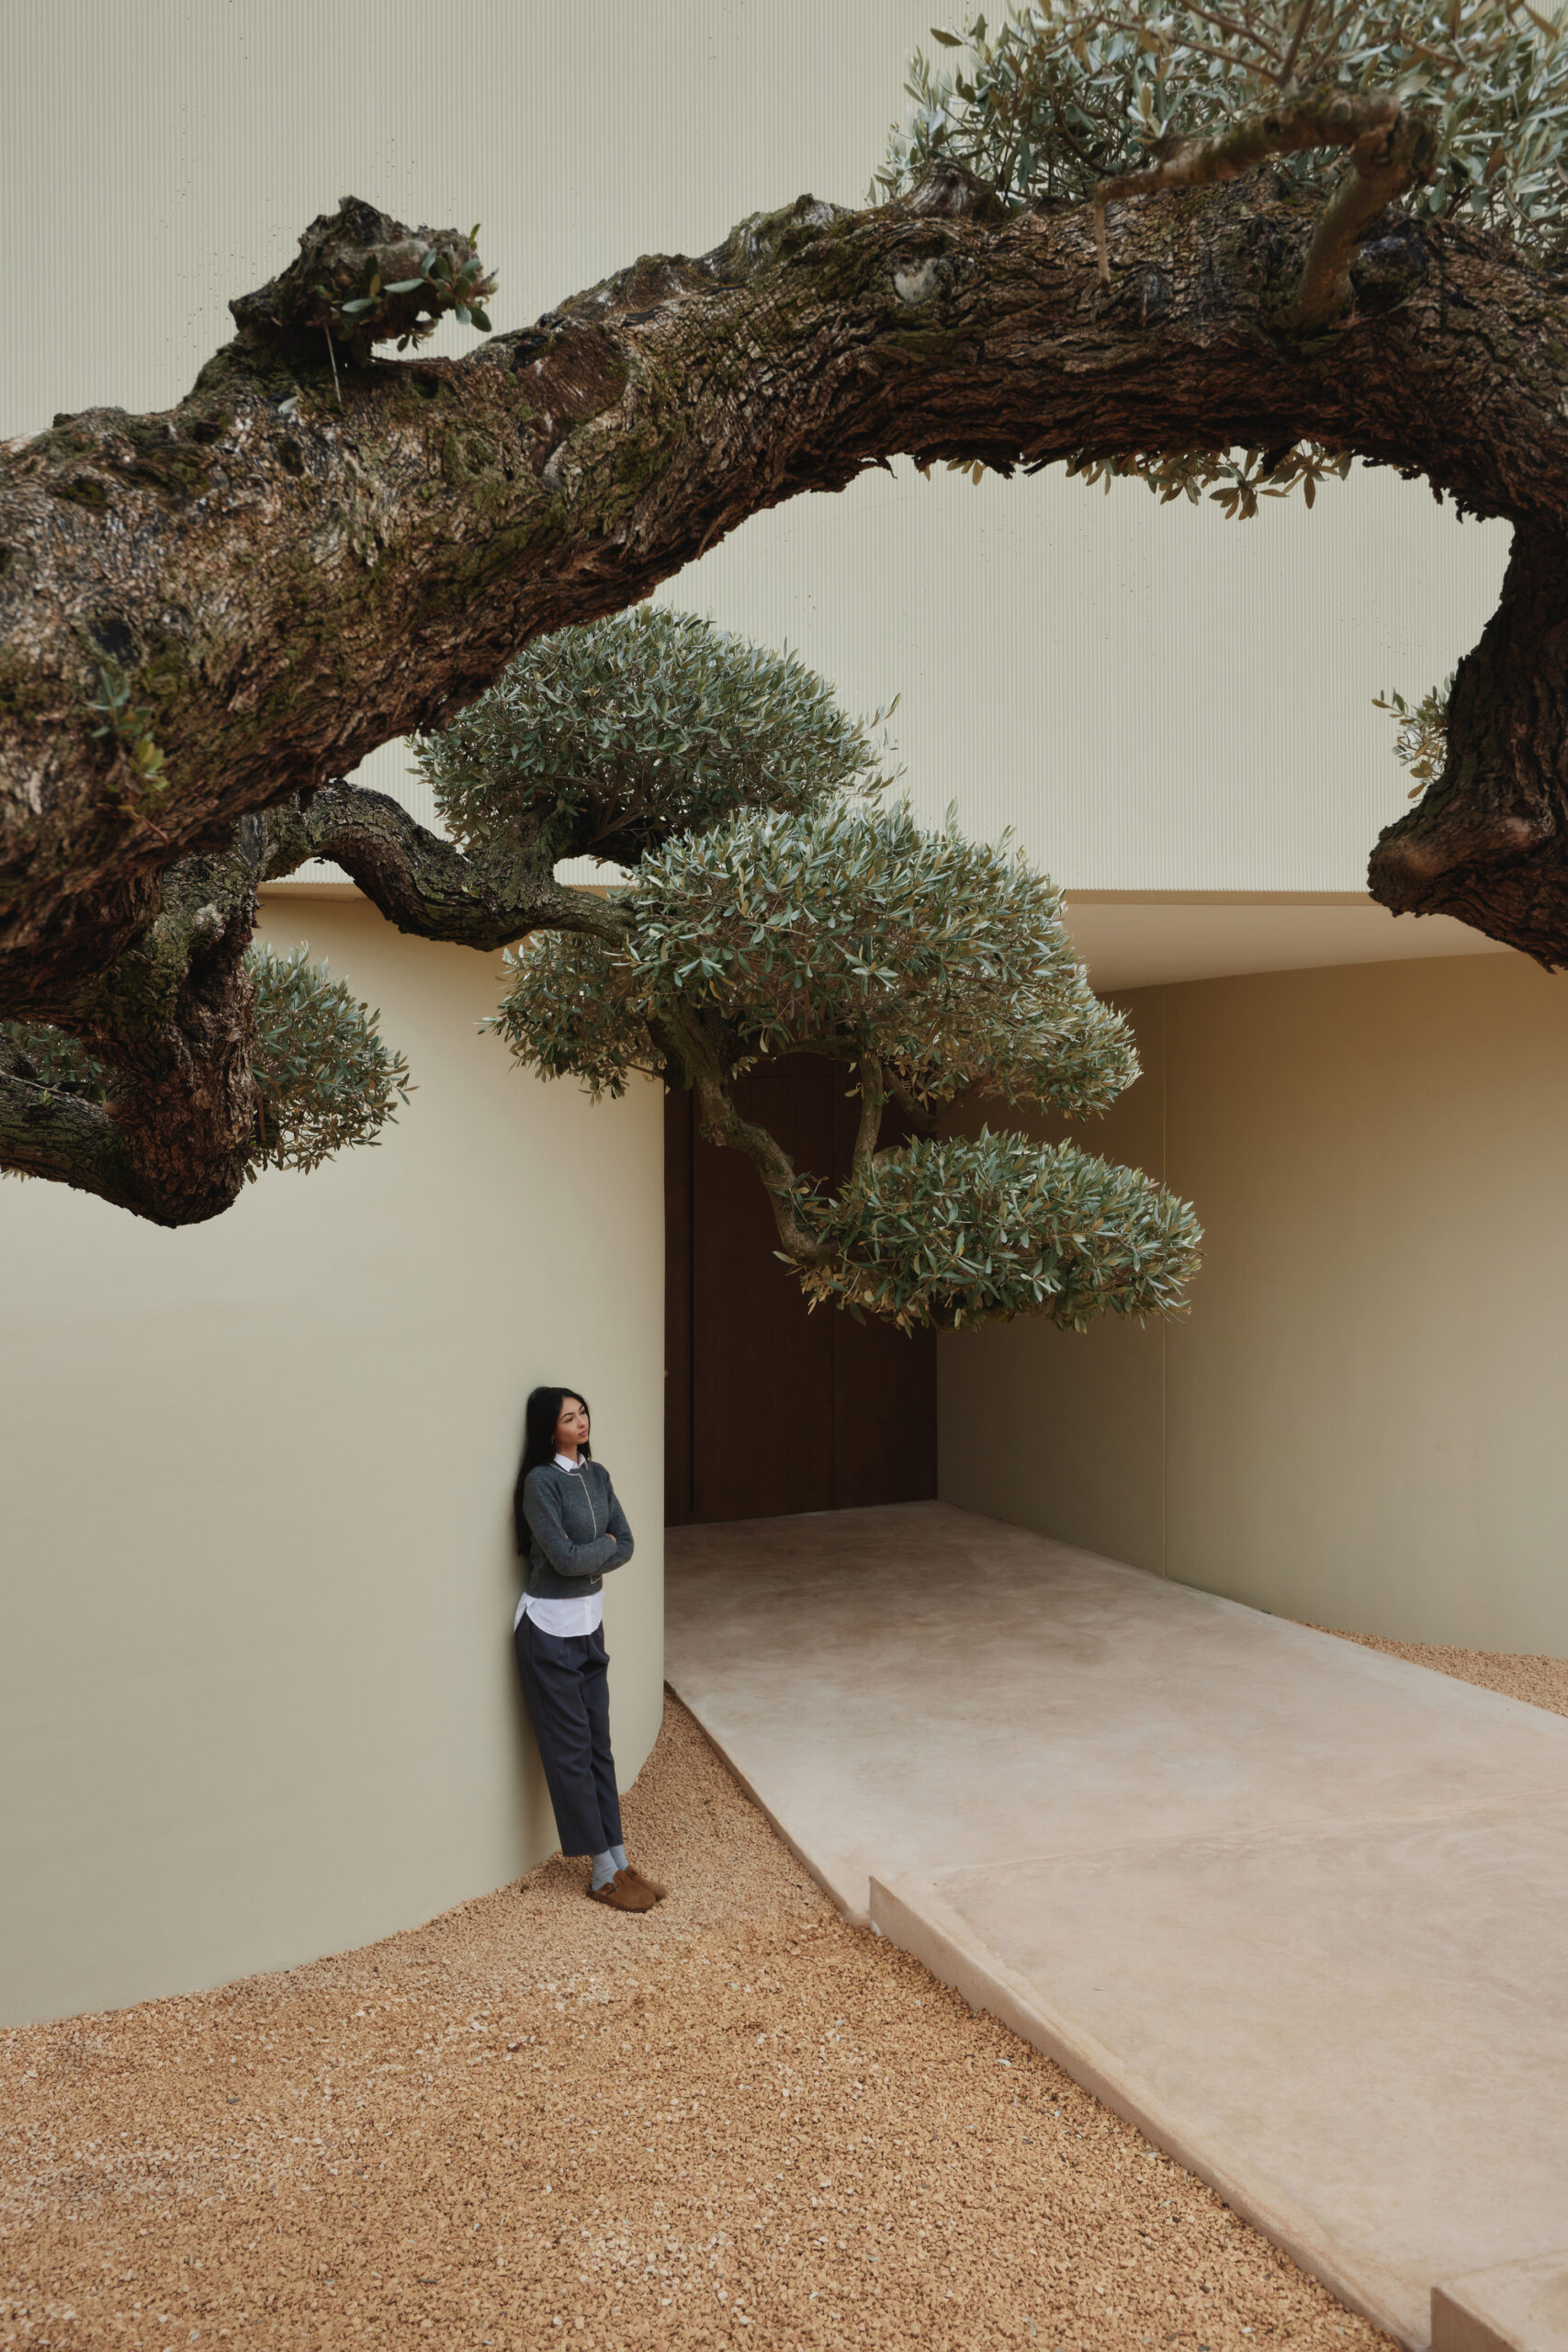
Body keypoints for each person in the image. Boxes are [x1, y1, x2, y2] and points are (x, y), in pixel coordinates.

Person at [512, 1385, 667, 1913]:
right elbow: (564, 1559)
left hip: (589, 1625)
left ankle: (618, 1858)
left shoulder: (597, 1475)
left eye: (582, 1413)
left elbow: (629, 1541)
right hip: (549, 1630)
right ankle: (601, 1872)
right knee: (571, 1750)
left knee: (599, 1744)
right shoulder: (540, 1482)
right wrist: (604, 1549)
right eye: (568, 1418)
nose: (581, 1423)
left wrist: (594, 1551)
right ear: (548, 1429)